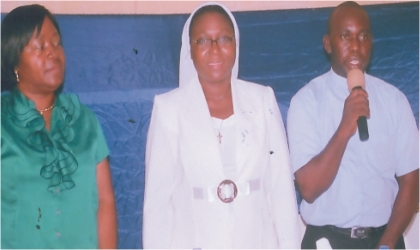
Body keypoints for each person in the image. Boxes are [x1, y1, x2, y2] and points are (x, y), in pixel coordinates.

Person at [143, 2, 301, 248]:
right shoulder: (169, 109)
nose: (215, 49)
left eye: (224, 38)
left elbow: (280, 187)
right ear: (189, 49)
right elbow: (158, 205)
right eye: (203, 41)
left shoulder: (262, 100)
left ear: (236, 45)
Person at [287, 1, 419, 249]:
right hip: (326, 240)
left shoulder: (394, 100)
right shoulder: (306, 102)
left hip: (384, 239)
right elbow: (309, 188)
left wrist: (388, 242)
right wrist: (345, 127)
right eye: (345, 36)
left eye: (363, 36)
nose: (356, 47)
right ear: (328, 44)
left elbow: (412, 183)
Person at [1, 4, 117, 249]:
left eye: (56, 43)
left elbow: (105, 202)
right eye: (40, 46)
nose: (53, 53)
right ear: (14, 63)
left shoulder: (84, 121)